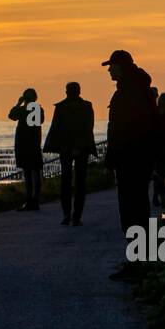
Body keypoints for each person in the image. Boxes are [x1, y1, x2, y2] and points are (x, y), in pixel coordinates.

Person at [101, 50, 157, 280]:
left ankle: (137, 263)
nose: (108, 70)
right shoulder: (134, 89)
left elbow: (123, 130)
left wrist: (113, 159)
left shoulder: (130, 92)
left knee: (132, 211)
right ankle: (137, 260)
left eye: (111, 66)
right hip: (135, 159)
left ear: (122, 67)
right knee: (135, 210)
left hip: (131, 160)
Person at [42, 82, 95, 226]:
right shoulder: (66, 107)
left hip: (75, 149)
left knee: (75, 183)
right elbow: (57, 128)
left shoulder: (81, 107)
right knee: (72, 183)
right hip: (69, 149)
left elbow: (87, 127)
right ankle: (70, 215)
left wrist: (77, 146)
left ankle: (73, 215)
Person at [8, 88, 44, 211]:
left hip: (28, 145)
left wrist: (19, 104)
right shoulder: (35, 110)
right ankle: (32, 200)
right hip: (29, 145)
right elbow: (12, 116)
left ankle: (32, 200)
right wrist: (19, 105)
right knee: (31, 173)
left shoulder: (28, 110)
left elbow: (12, 115)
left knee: (31, 173)